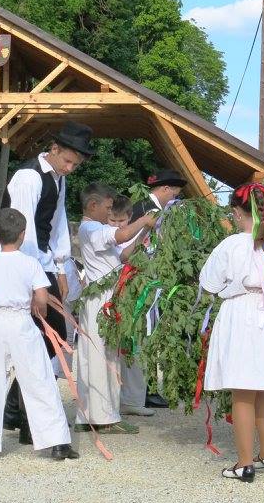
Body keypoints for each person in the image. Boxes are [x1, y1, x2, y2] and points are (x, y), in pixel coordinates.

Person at [199, 183, 264, 481]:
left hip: (245, 315)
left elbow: (209, 282)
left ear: (236, 212)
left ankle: (244, 463)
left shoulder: (231, 245)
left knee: (243, 388)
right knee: (262, 386)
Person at [1, 122, 95, 439]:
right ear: (54, 149)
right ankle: (28, 419)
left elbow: (57, 224)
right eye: (67, 161)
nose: (70, 168)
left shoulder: (58, 179)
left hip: (43, 264)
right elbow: (23, 232)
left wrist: (61, 267)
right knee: (38, 342)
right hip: (22, 266)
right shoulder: (28, 177)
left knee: (47, 341)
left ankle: (15, 411)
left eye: (76, 165)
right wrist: (35, 285)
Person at [0, 208, 78, 462]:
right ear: (23, 235)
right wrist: (40, 311)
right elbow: (41, 298)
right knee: (39, 379)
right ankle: (57, 443)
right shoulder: (31, 263)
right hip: (22, 322)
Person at [74, 184, 157, 434]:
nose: (110, 213)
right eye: (108, 208)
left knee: (103, 356)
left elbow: (123, 256)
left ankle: (94, 415)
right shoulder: (92, 228)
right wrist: (144, 219)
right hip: (101, 299)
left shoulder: (96, 230)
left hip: (106, 298)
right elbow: (121, 236)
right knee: (101, 357)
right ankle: (103, 417)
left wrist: (144, 230)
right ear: (93, 205)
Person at [129, 168, 188, 408]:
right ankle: (143, 391)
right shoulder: (144, 209)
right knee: (144, 334)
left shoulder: (153, 208)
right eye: (175, 194)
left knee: (150, 333)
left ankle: (148, 388)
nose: (175, 198)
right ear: (165, 189)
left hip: (155, 279)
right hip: (143, 279)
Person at [108, 196, 153, 417]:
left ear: (129, 217)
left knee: (134, 348)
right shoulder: (107, 236)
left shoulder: (135, 235)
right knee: (112, 350)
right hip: (112, 299)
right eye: (113, 220)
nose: (117, 225)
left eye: (122, 220)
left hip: (133, 299)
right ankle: (111, 399)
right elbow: (124, 256)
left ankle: (133, 399)